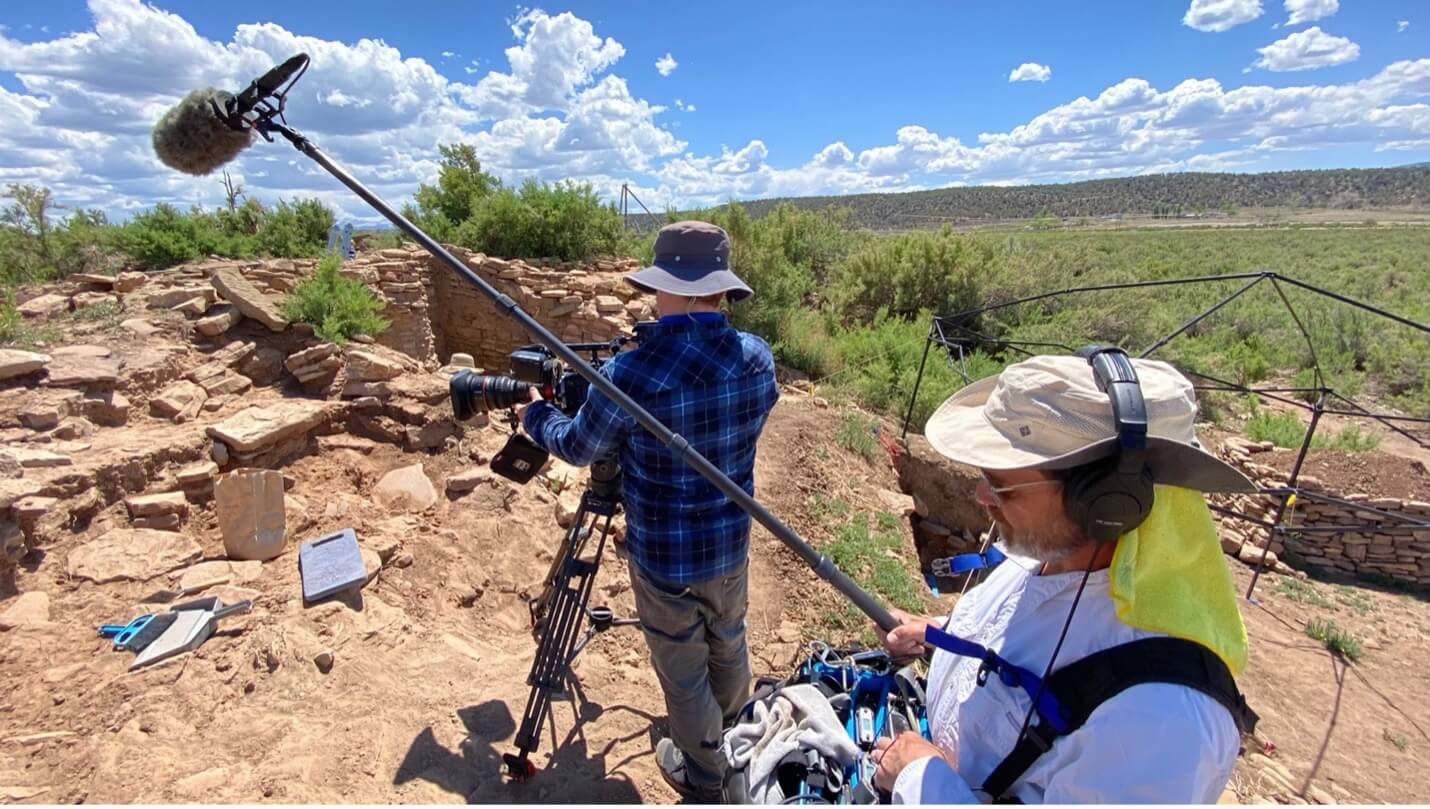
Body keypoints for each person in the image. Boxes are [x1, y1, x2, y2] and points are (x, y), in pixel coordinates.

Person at [871, 351, 1258, 804]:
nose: (981, 495)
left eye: (1001, 483)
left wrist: (919, 777)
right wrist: (938, 633)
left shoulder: (1163, 721)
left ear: (1105, 503)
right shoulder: (1041, 553)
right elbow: (1020, 641)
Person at [519, 220, 780, 802]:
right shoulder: (757, 359)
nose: (651, 297)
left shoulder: (631, 374)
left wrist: (536, 415)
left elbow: (581, 448)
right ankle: (738, 732)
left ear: (676, 288)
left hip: (665, 555)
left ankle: (707, 774)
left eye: (658, 285)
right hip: (731, 542)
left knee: (683, 671)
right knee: (729, 638)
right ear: (718, 289)